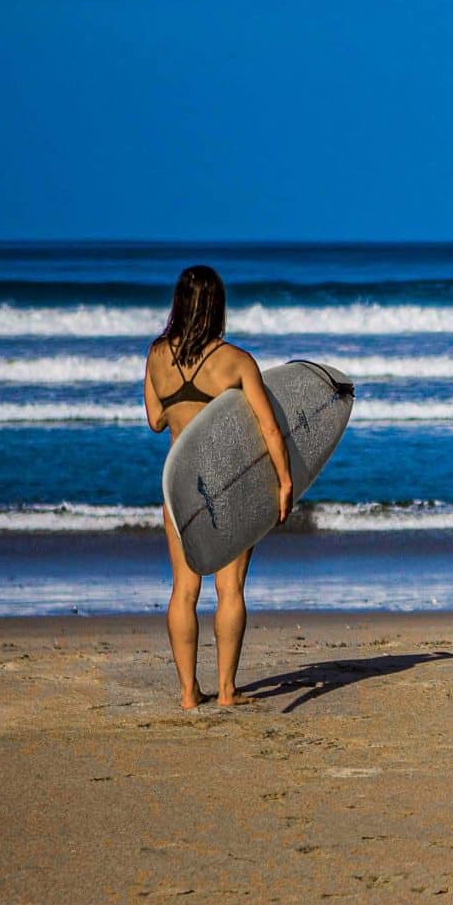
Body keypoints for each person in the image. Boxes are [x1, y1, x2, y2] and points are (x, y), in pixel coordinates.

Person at [142, 265, 293, 709]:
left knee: (183, 589)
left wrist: (182, 406)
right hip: (228, 485)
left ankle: (189, 693)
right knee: (230, 589)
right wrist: (284, 482)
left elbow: (154, 421)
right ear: (217, 306)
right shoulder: (237, 361)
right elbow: (269, 428)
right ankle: (227, 690)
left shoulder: (155, 356)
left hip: (179, 483)